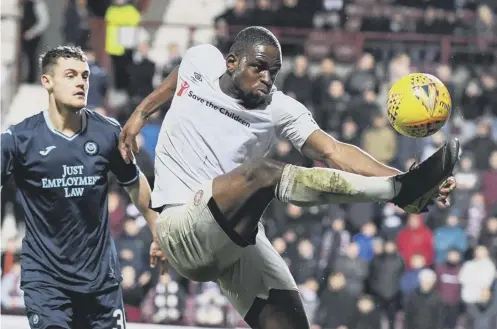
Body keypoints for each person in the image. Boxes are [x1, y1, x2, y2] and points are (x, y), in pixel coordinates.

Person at [119, 26, 458, 329]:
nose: (267, 77)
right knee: (264, 173)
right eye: (259, 67)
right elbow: (180, 75)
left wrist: (405, 174)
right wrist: (139, 114)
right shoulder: (201, 59)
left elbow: (334, 151)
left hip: (231, 239)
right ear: (231, 62)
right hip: (179, 225)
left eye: (274, 71)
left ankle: (403, 186)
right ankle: (398, 192)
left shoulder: (280, 108)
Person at [0, 46, 165, 329]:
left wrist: (158, 231)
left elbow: (134, 182)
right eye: (71, 75)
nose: (81, 82)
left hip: (100, 280)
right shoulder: (20, 139)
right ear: (47, 81)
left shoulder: (108, 132)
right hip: (46, 280)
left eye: (85, 76)